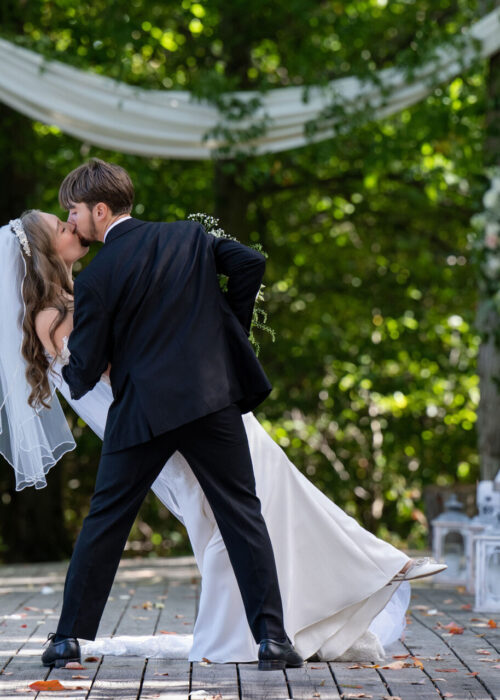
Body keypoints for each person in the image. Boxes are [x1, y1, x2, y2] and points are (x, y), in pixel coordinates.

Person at [0, 175, 445, 666]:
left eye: (74, 213)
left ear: (100, 211)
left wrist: (118, 358)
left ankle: (67, 636)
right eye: (64, 221)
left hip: (142, 413)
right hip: (210, 402)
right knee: (242, 513)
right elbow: (249, 262)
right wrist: (223, 330)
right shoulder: (185, 237)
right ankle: (273, 639)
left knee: (106, 521)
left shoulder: (101, 278)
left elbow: (83, 374)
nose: (73, 222)